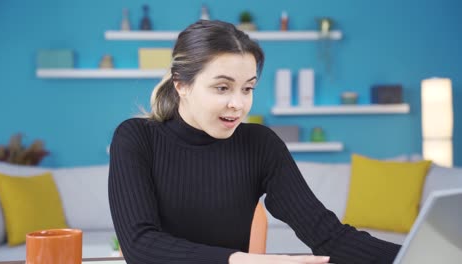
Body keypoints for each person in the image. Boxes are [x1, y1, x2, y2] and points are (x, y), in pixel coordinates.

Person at [108, 20, 401, 264]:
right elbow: (140, 245)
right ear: (182, 85)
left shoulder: (259, 144)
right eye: (222, 88)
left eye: (247, 88)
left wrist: (422, 256)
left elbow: (328, 236)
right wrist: (243, 260)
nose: (238, 104)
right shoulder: (136, 138)